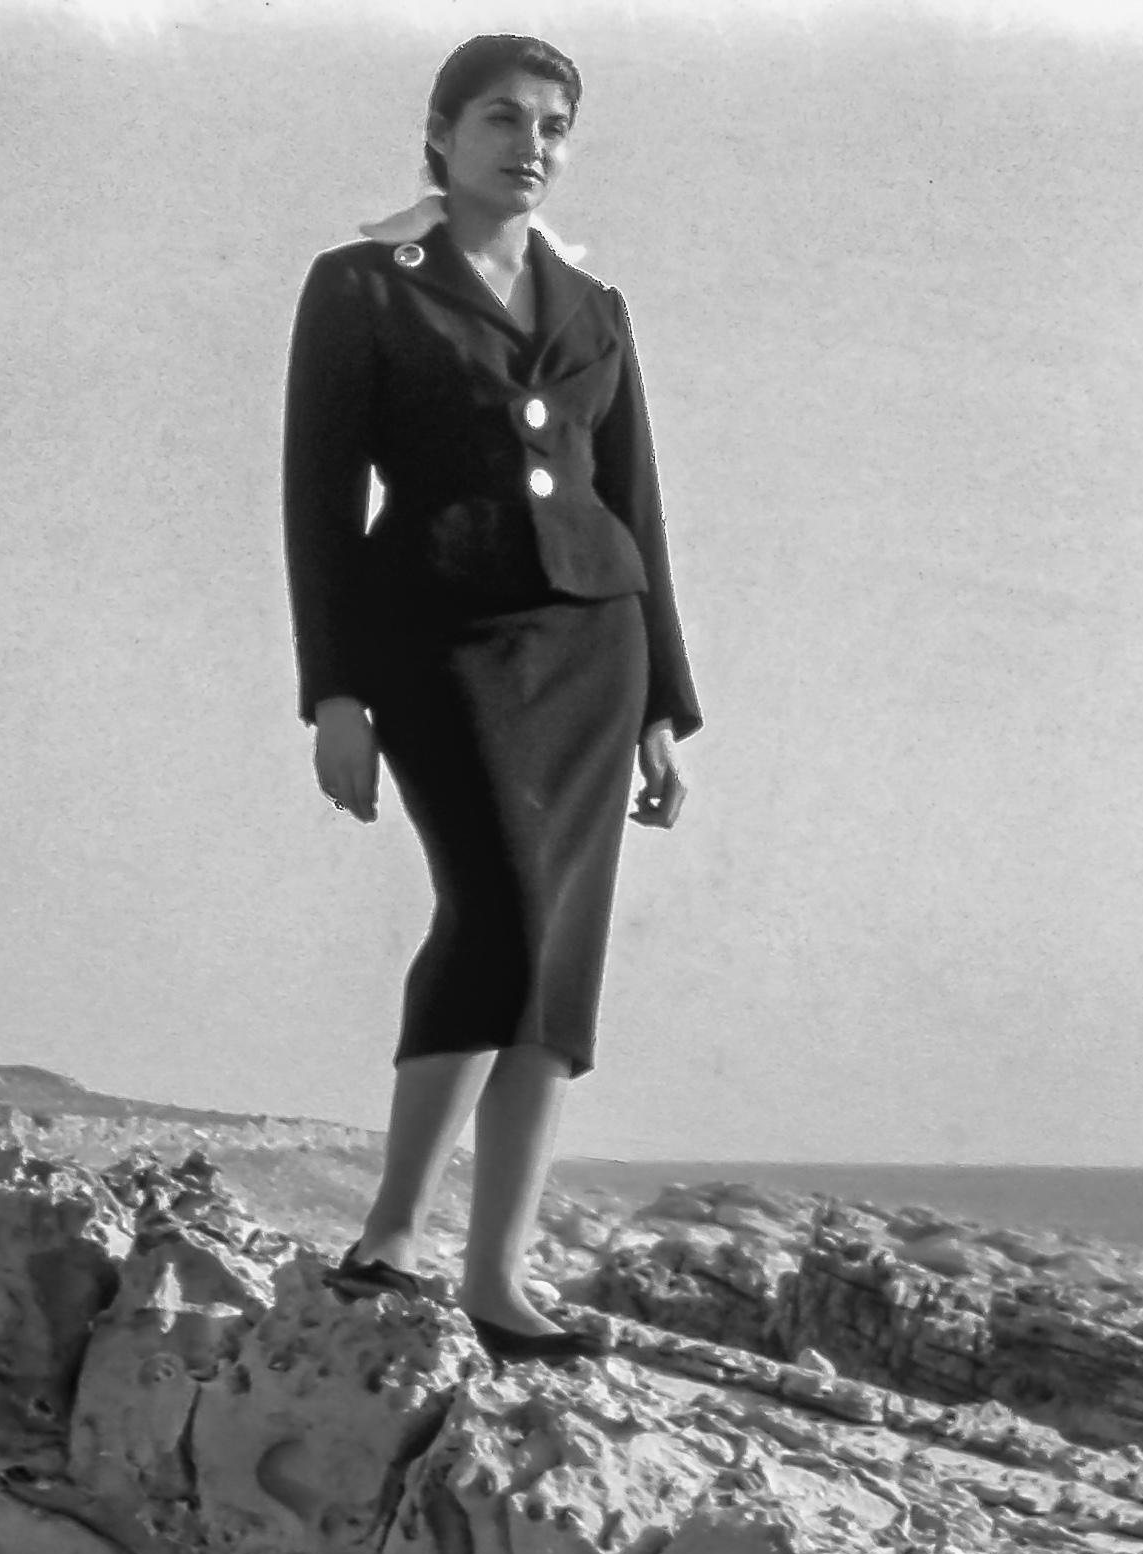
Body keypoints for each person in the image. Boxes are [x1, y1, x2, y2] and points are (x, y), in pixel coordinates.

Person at [282, 34, 702, 1363]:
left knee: (558, 958)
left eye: (554, 126)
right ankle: (391, 1236)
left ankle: (498, 1279)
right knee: (503, 913)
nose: (532, 146)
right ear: (444, 133)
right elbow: (316, 497)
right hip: (437, 637)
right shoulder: (364, 283)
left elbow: (635, 502)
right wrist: (333, 691)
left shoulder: (595, 303)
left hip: (595, 644)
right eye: (505, 120)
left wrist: (665, 705)